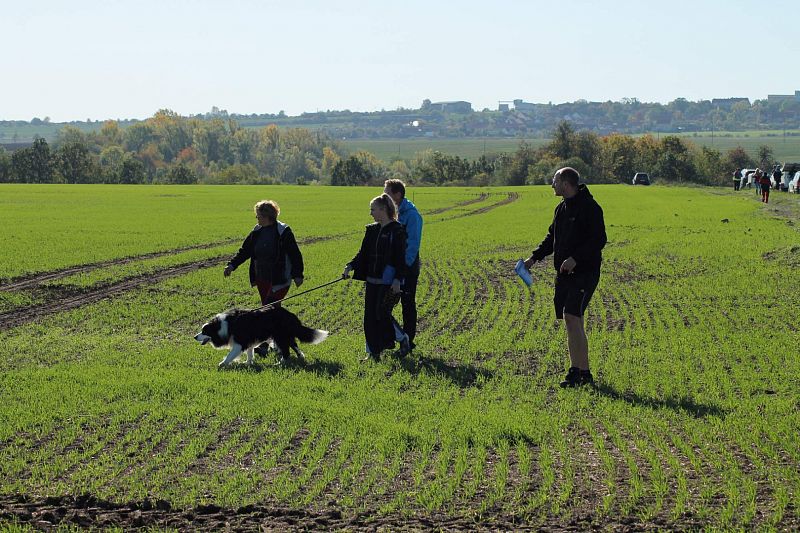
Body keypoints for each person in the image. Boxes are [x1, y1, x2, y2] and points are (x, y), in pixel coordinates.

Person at [524, 167, 607, 388]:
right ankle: (578, 371)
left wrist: (575, 259)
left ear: (566, 183)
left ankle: (582, 372)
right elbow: (552, 238)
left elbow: (599, 240)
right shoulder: (561, 209)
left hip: (584, 273)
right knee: (572, 320)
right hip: (564, 276)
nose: (552, 185)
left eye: (555, 180)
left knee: (572, 316)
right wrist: (533, 259)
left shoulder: (590, 208)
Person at [342, 194, 407, 362]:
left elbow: (401, 258)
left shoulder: (397, 230)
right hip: (371, 279)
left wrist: (397, 280)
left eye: (373, 209)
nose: (371, 213)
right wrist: (350, 266)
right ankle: (372, 353)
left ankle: (401, 338)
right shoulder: (371, 230)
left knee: (382, 314)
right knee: (369, 317)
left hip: (388, 281)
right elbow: (363, 254)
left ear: (383, 209)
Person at [224, 199, 304, 306]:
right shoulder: (257, 231)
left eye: (258, 216)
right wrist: (232, 265)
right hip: (261, 278)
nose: (256, 218)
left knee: (269, 308)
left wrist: (298, 275)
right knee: (269, 310)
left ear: (266, 216)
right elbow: (245, 251)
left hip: (279, 279)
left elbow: (295, 254)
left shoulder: (283, 232)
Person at [383, 179, 423, 355]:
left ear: (397, 194)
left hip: (408, 267)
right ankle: (392, 339)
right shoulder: (390, 212)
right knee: (384, 306)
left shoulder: (412, 215)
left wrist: (403, 270)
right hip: (391, 267)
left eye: (387, 192)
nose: (384, 195)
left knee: (407, 304)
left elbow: (413, 245)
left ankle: (408, 340)